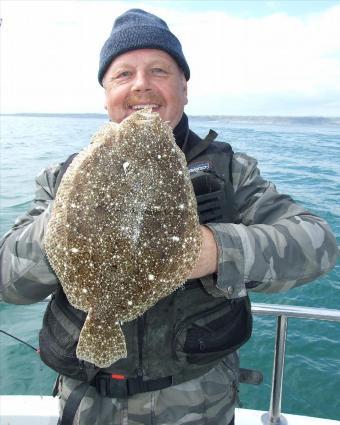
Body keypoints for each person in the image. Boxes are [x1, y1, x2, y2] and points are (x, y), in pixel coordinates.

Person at [0, 8, 337, 425]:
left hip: (197, 406)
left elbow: (318, 245)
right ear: (106, 94)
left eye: (159, 70)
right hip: (87, 404)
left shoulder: (231, 173)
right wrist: (70, 219)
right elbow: (7, 281)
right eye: (123, 74)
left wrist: (214, 250)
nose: (141, 84)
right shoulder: (64, 177)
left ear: (184, 87)